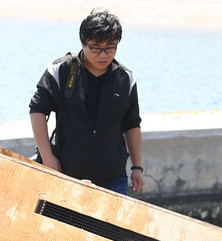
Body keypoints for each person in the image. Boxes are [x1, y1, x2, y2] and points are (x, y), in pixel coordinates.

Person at [29, 9, 144, 195]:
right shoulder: (61, 70)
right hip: (68, 176)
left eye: (110, 48)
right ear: (83, 43)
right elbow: (37, 110)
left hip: (113, 178)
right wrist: (47, 157)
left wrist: (137, 167)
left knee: (111, 226)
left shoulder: (126, 79)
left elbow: (132, 124)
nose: (103, 55)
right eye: (96, 48)